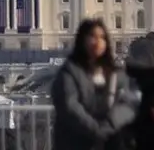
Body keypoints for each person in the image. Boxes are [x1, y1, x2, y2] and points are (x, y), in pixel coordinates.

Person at [51, 19, 131, 150]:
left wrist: (111, 125)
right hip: (75, 142)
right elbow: (70, 106)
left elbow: (128, 101)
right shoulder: (69, 72)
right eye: (93, 36)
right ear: (82, 40)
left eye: (102, 37)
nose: (98, 42)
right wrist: (97, 130)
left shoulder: (114, 72)